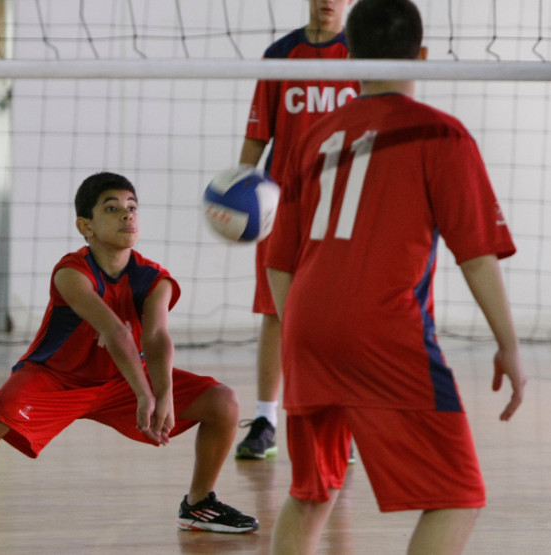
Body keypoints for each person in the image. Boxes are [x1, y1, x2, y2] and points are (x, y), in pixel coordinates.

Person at [263, 0, 527, 553]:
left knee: (312, 493)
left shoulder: (315, 137)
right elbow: (476, 256)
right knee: (459, 497)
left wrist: (298, 338)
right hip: (383, 326)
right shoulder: (441, 135)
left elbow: (279, 262)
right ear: (423, 56)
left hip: (304, 324)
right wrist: (509, 345)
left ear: (347, 57)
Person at [0, 172, 258, 544]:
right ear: (86, 226)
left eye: (132, 208)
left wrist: (165, 394)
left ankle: (197, 504)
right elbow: (115, 332)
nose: (127, 215)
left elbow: (157, 338)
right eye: (112, 209)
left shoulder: (153, 278)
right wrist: (146, 395)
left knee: (223, 402)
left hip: (120, 379)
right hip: (56, 378)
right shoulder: (71, 272)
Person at [235, 0, 360, 460]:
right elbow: (257, 134)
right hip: (282, 202)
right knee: (274, 312)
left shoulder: (363, 55)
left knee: (341, 314)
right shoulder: (280, 55)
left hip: (343, 204)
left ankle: (338, 417)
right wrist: (237, 192)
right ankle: (266, 418)